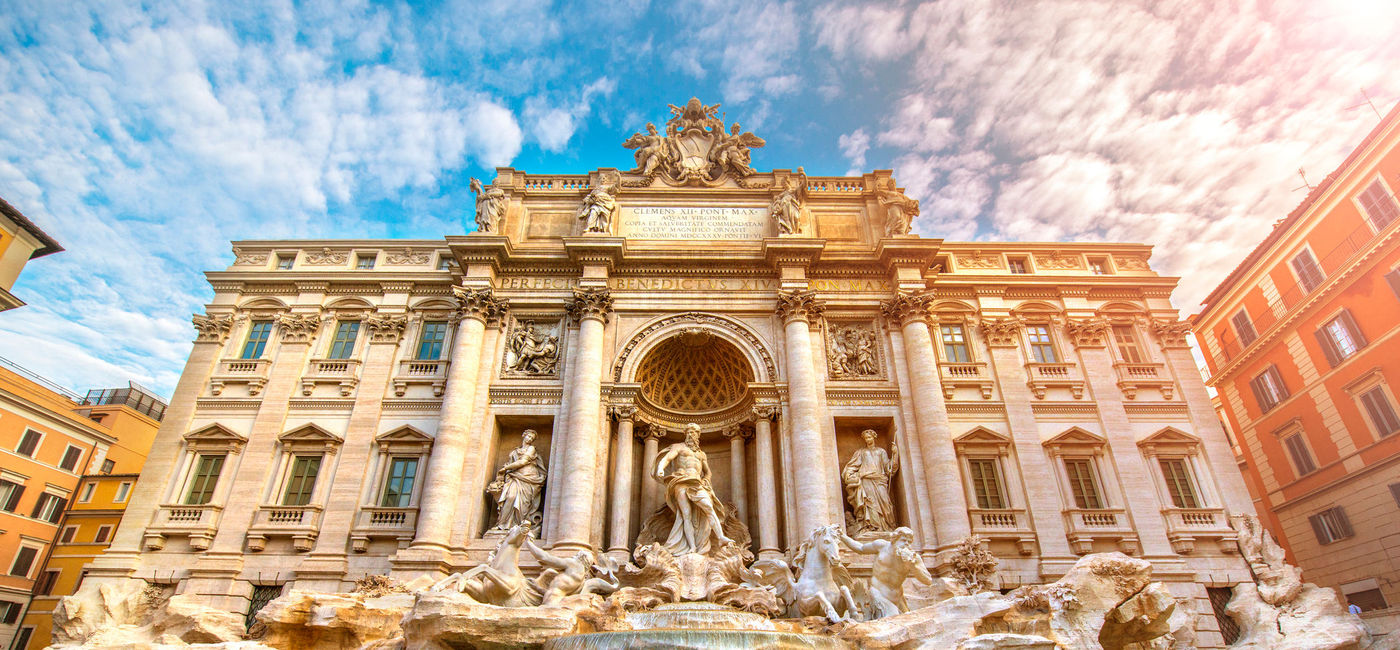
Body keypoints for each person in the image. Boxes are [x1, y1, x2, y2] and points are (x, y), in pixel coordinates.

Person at [654, 423, 734, 555]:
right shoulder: (678, 447)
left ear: (698, 435)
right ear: (685, 435)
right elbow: (667, 458)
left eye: (694, 432)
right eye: (689, 432)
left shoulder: (701, 454)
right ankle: (692, 547)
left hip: (697, 483)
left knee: (709, 507)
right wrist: (660, 468)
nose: (691, 435)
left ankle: (721, 537)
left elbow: (708, 472)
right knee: (686, 515)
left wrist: (706, 480)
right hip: (681, 481)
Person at [838, 527, 931, 618]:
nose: (906, 544)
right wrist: (842, 536)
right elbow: (860, 548)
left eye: (909, 542)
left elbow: (928, 580)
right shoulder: (881, 546)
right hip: (877, 592)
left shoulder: (914, 558)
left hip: (897, 598)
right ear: (894, 539)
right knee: (893, 619)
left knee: (907, 622)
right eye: (903, 540)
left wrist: (913, 566)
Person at [842, 429, 899, 534]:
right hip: (866, 480)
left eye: (869, 437)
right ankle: (873, 527)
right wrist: (850, 475)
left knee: (885, 504)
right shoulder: (861, 452)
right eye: (866, 438)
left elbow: (888, 468)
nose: (868, 440)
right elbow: (852, 467)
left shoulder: (881, 451)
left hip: (880, 480)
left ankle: (886, 527)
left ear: (874, 437)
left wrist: (895, 455)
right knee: (869, 503)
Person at [488, 429, 546, 530]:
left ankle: (517, 526)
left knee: (523, 503)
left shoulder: (531, 449)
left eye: (532, 438)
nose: (529, 439)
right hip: (516, 476)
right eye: (528, 436)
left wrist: (506, 468)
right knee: (510, 497)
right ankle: (502, 524)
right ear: (524, 436)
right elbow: (512, 465)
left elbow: (523, 462)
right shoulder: (514, 451)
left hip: (529, 477)